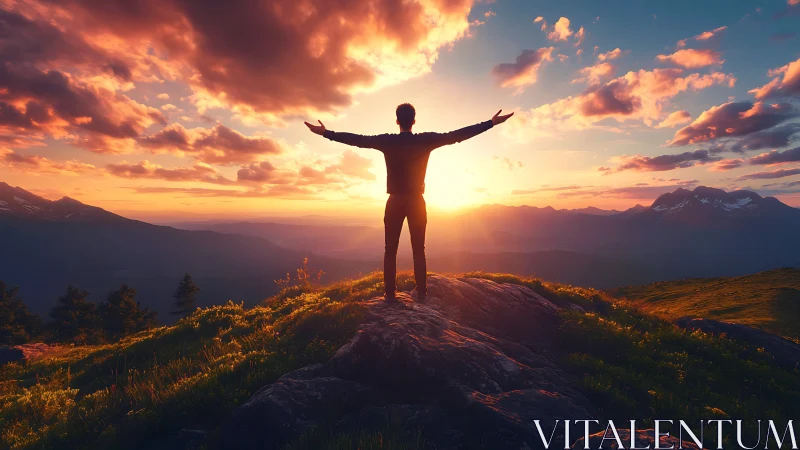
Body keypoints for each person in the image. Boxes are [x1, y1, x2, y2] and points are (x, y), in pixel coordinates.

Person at [305, 104, 513, 300]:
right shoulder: (426, 140)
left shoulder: (387, 141)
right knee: (419, 249)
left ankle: (389, 294)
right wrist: (490, 123)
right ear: (414, 121)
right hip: (416, 202)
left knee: (390, 250)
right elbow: (457, 136)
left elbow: (357, 140)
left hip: (394, 202)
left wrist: (326, 133)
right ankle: (421, 292)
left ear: (397, 121)